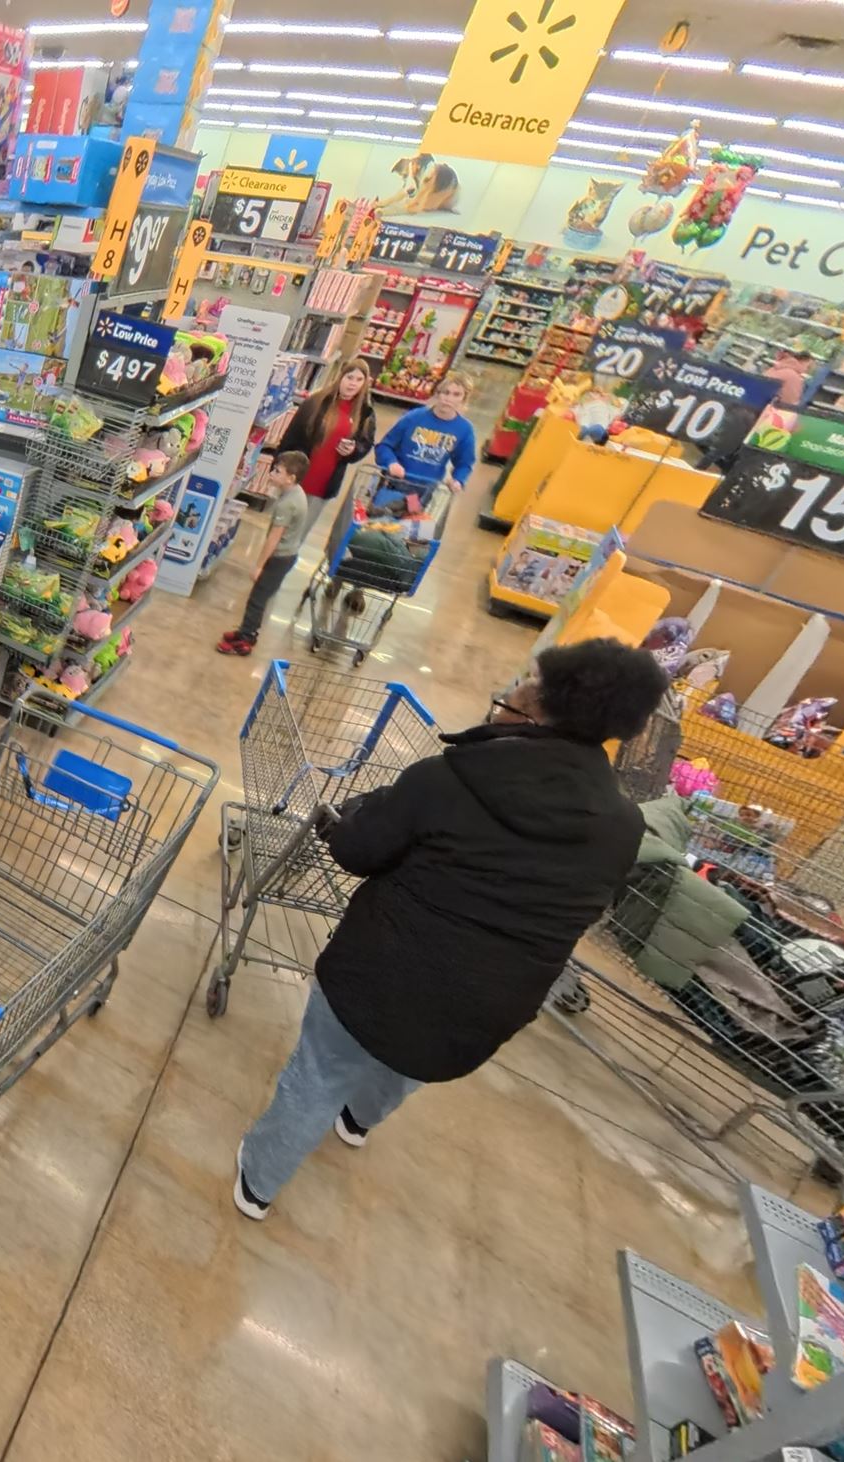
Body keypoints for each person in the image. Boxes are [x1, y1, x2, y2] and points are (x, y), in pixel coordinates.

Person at [232, 638, 668, 1219]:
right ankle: (357, 1121)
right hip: (489, 1004)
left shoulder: (448, 778)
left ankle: (257, 1183)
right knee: (408, 1059)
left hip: (379, 972)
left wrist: (348, 820)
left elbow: (359, 852)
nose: (510, 687)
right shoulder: (622, 824)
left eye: (523, 680)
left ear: (538, 708)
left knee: (320, 1071)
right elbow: (586, 905)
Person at [218, 364, 380, 656]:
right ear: (340, 376)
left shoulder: (366, 414)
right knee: (278, 531)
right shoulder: (316, 402)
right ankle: (265, 579)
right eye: (349, 377)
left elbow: (365, 446)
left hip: (323, 486)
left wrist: (352, 451)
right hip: (298, 480)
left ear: (365, 383)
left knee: (293, 540)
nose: (353, 383)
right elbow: (291, 437)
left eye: (359, 379)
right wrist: (281, 466)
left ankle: (268, 583)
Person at [372, 373, 479, 516]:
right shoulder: (414, 417)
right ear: (438, 393)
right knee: (376, 522)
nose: (449, 399)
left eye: (456, 395)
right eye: (445, 392)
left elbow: (464, 463)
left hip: (422, 491)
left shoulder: (464, 430)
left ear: (464, 399)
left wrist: (458, 480)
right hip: (394, 484)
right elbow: (384, 446)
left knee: (405, 529)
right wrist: (391, 463)